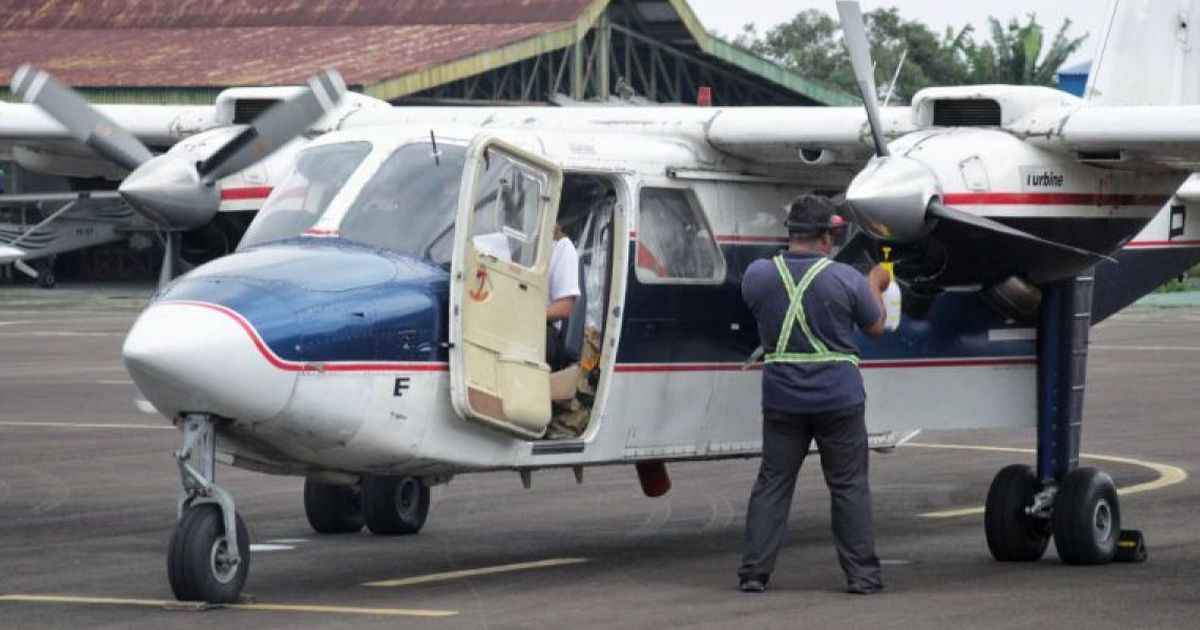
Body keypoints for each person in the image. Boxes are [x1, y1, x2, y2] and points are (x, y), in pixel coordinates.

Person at [737, 194, 890, 595]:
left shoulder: (757, 275)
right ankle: (862, 576)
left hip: (782, 398)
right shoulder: (846, 279)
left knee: (772, 482)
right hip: (838, 399)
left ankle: (754, 573)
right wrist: (876, 283)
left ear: (791, 234)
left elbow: (757, 303)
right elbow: (875, 326)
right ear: (827, 237)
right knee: (848, 485)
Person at [545, 224, 581, 371]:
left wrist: (530, 317)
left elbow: (565, 306)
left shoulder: (563, 248)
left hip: (543, 328)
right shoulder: (514, 242)